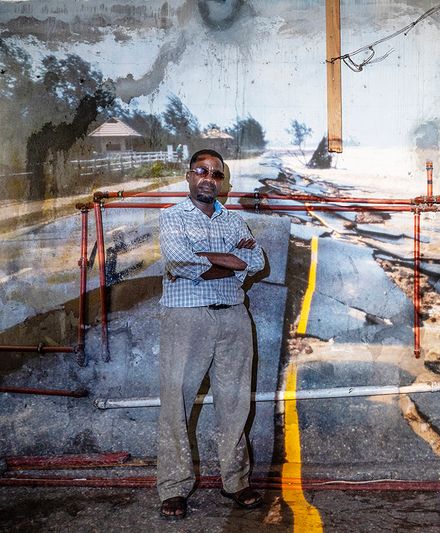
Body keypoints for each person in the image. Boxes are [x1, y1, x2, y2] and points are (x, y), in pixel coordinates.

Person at [157, 148, 267, 520]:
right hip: (186, 318)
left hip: (234, 317)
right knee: (176, 403)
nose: (209, 178)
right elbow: (180, 262)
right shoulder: (172, 217)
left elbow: (256, 261)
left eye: (216, 173)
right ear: (189, 176)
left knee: (235, 402)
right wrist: (232, 261)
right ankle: (173, 487)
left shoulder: (233, 221)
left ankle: (235, 481)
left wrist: (205, 257)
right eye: (202, 171)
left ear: (223, 182)